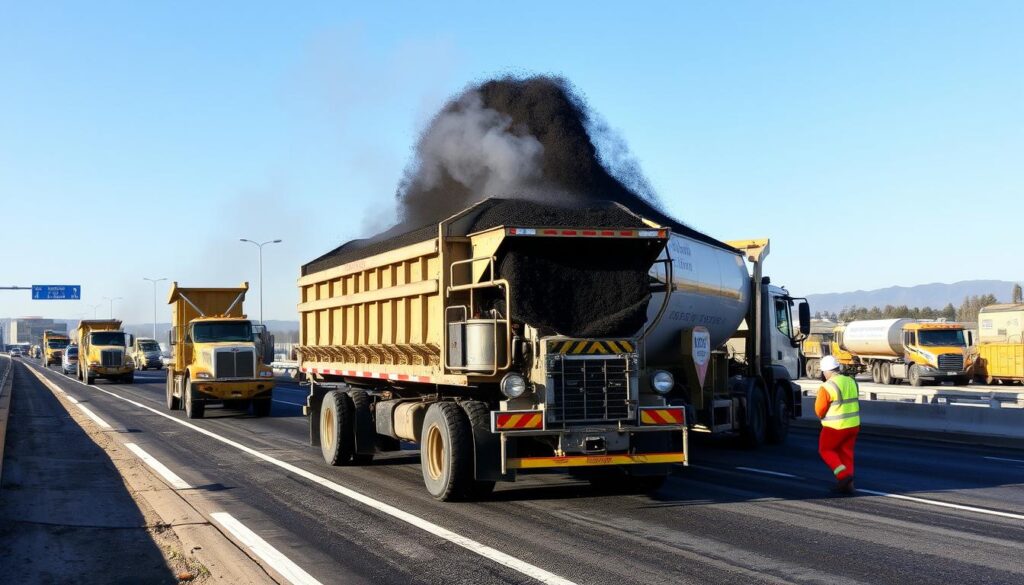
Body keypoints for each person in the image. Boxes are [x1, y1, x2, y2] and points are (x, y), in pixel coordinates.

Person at [815, 355, 861, 494]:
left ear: (826, 371)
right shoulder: (851, 381)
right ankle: (849, 485)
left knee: (826, 450)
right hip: (853, 426)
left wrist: (822, 417)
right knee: (846, 453)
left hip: (834, 427)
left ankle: (843, 477)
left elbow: (819, 409)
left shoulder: (827, 387)